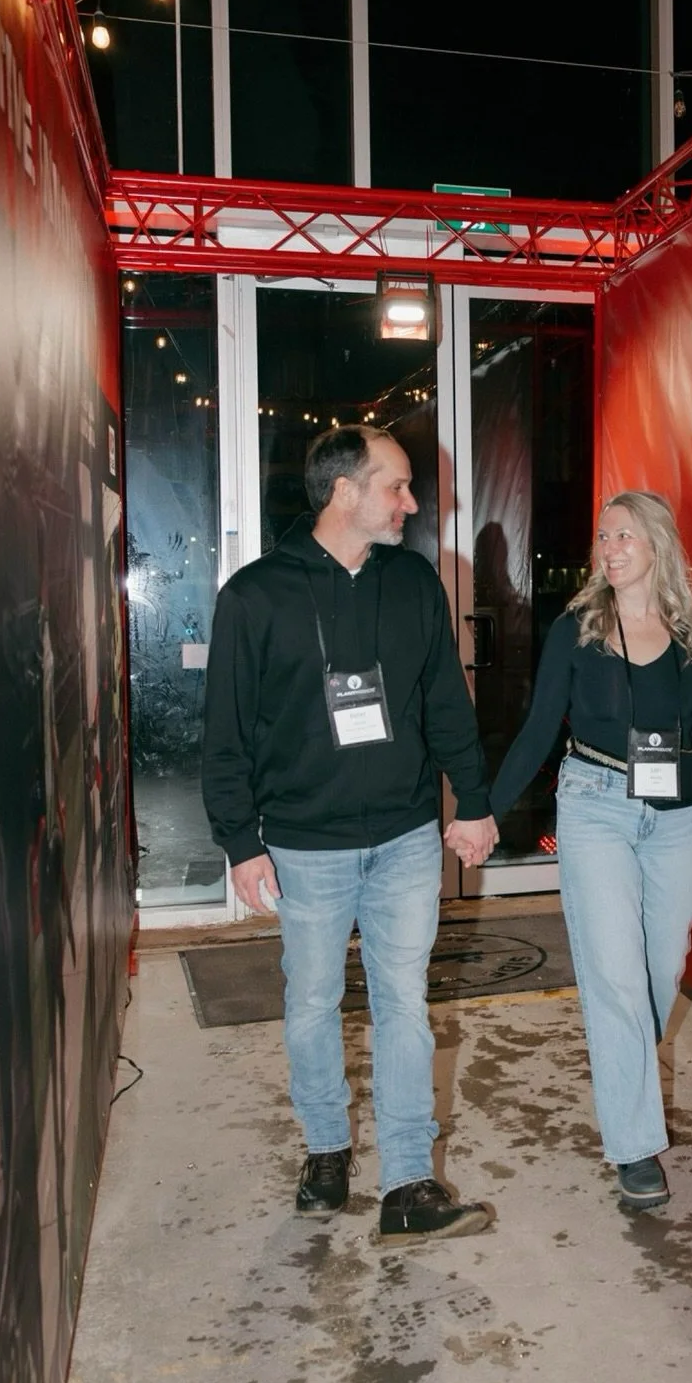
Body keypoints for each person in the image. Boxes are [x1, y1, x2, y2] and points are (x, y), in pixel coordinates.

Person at [202, 425, 500, 1242]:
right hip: (304, 845)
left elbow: (446, 701)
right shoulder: (256, 596)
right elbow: (224, 735)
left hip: (405, 835)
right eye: (396, 486)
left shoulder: (413, 583)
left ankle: (408, 1180)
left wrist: (472, 802)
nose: (412, 502)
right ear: (344, 492)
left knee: (405, 1000)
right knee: (313, 1000)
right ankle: (327, 1148)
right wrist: (240, 842)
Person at [490, 491, 692, 1209]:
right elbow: (538, 728)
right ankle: (635, 1147)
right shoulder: (579, 629)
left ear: (657, 544)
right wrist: (484, 810)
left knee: (662, 968)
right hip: (595, 805)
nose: (609, 547)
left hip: (678, 818)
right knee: (617, 981)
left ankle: (623, 1062)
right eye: (603, 536)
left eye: (624, 535)